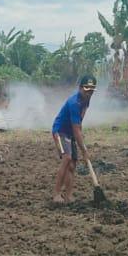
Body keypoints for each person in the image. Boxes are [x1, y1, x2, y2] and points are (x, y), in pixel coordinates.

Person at [51, 74, 97, 204]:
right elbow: (76, 129)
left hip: (71, 133)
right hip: (60, 131)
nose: (89, 92)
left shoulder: (86, 100)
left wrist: (80, 134)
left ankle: (68, 196)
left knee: (72, 165)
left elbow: (79, 123)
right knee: (67, 159)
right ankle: (56, 194)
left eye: (92, 90)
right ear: (80, 88)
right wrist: (84, 151)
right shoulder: (74, 103)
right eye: (86, 89)